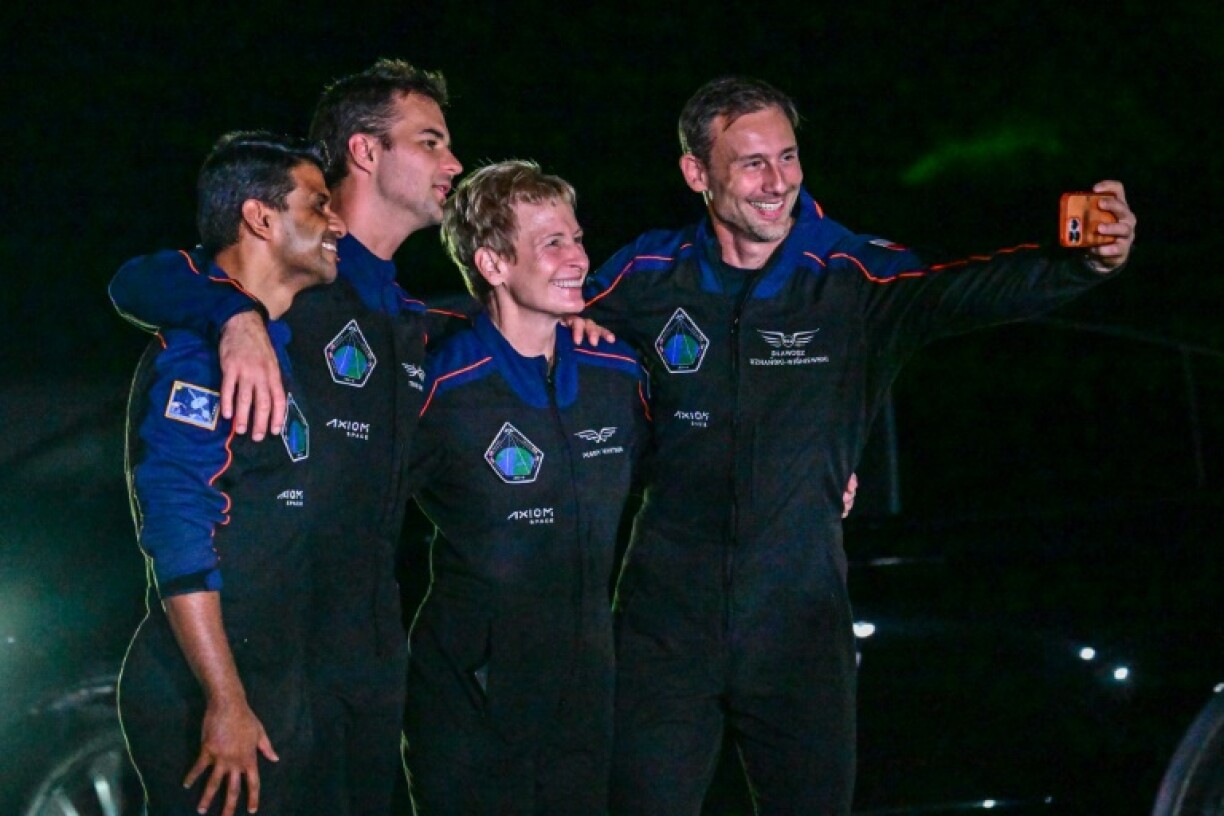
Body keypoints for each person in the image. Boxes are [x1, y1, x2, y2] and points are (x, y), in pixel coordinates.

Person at [581, 76, 1136, 815]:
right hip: (663, 625)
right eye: (752, 163)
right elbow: (523, 322)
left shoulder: (853, 276)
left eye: (788, 156)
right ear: (696, 173)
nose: (777, 182)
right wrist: (568, 330)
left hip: (798, 626)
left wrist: (1086, 265)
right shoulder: (645, 274)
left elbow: (969, 289)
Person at [108, 59, 610, 815]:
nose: (453, 163)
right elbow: (138, 279)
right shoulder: (274, 285)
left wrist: (564, 316)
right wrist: (231, 315)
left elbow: (502, 339)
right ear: (368, 153)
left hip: (353, 671)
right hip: (251, 665)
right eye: (432, 142)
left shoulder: (409, 318)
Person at [401, 160, 648, 814]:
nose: (578, 260)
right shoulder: (442, 387)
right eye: (552, 243)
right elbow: (353, 513)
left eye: (576, 238)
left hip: (585, 688)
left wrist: (835, 470)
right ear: (493, 265)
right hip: (472, 695)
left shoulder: (615, 372)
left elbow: (689, 468)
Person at [120, 131, 343, 816]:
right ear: (260, 218)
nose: (336, 223)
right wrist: (225, 702)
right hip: (212, 698)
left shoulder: (270, 340)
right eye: (319, 205)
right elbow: (180, 529)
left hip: (270, 682)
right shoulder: (199, 357)